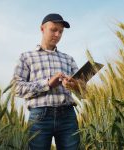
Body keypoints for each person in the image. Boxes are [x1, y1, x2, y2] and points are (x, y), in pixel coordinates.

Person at [12, 13, 86, 150]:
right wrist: (47, 84)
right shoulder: (26, 57)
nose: (57, 34)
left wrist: (75, 86)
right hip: (39, 116)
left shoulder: (68, 59)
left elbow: (84, 90)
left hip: (68, 115)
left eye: (61, 31)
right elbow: (16, 87)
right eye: (53, 30)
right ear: (42, 29)